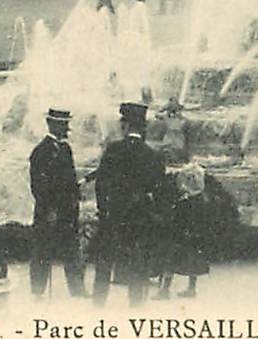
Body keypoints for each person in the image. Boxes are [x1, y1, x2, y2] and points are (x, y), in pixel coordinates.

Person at [91, 101, 166, 307]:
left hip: (112, 215)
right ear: (144, 128)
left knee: (105, 262)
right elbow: (159, 191)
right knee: (137, 263)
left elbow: (101, 185)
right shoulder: (154, 156)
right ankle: (135, 306)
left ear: (124, 125)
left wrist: (103, 210)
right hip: (139, 217)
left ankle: (98, 304)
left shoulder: (113, 150)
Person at [28, 108, 86, 298]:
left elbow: (69, 180)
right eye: (64, 124)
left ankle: (77, 289)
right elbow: (38, 185)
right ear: (54, 125)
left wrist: (77, 193)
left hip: (67, 211)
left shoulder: (65, 149)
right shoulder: (41, 151)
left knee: (71, 249)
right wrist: (50, 209)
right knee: (42, 251)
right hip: (49, 212)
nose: (68, 128)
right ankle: (37, 290)